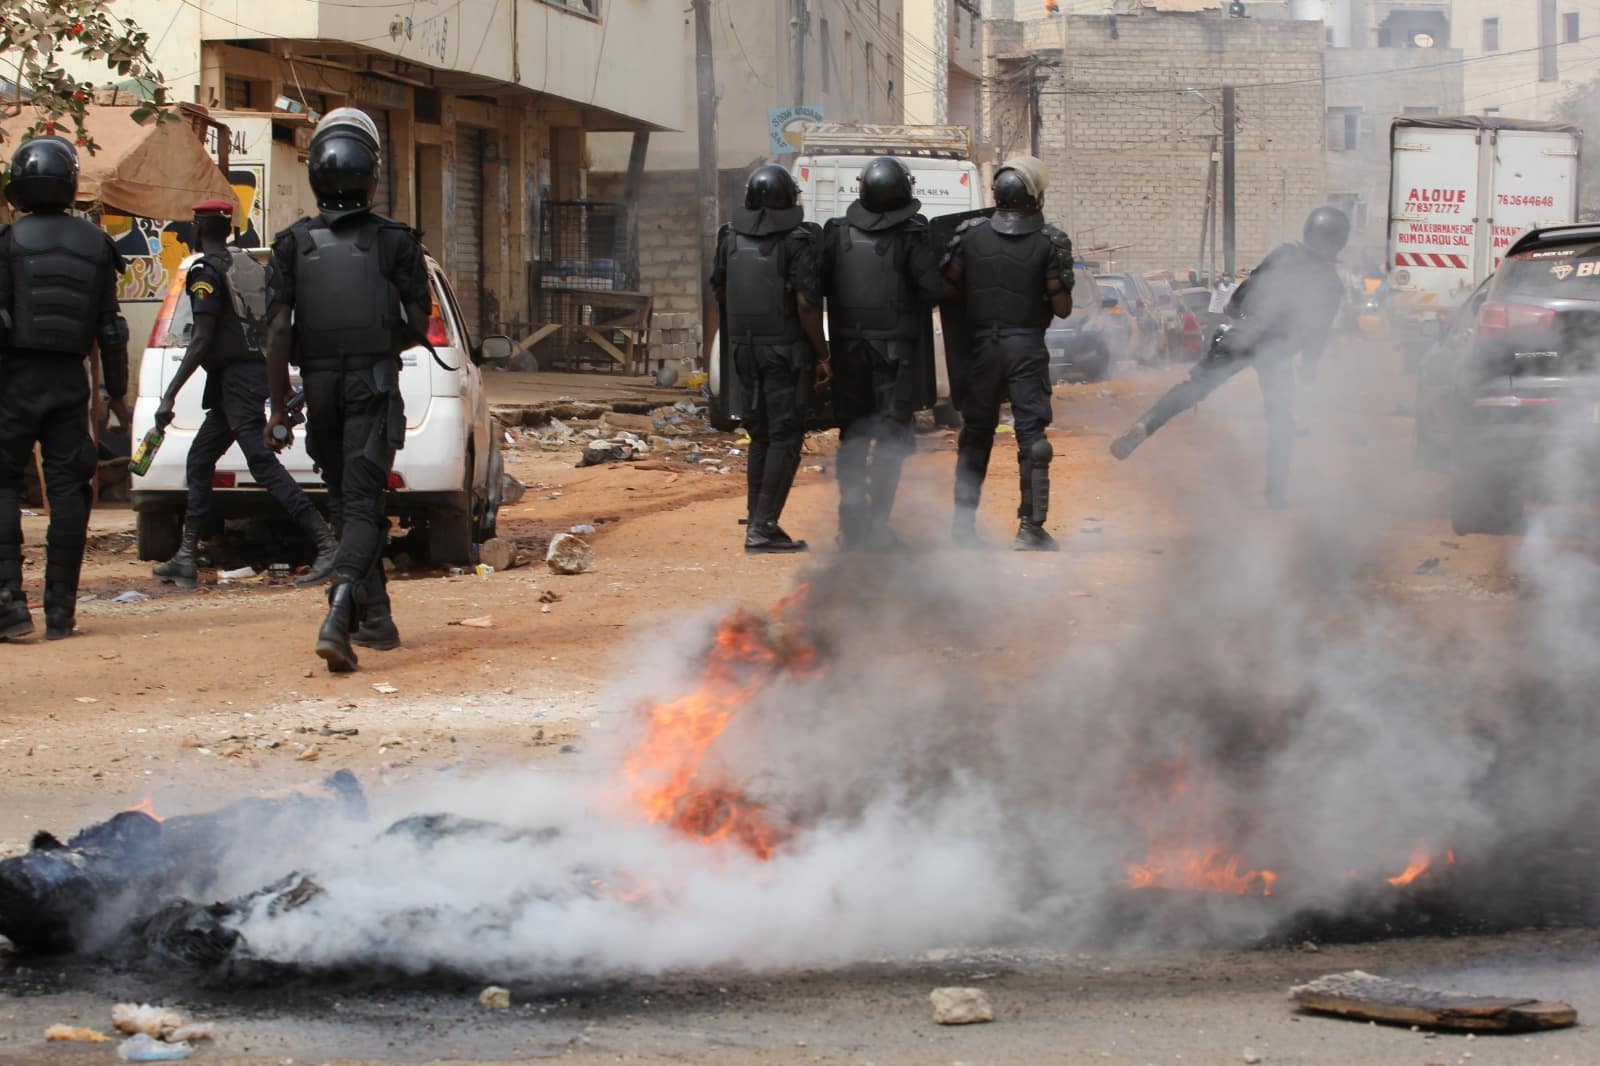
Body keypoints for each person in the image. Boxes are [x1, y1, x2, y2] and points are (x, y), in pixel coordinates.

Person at [262, 108, 432, 672]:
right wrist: (380, 343)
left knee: (345, 501)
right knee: (363, 505)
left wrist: (277, 409)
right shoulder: (396, 242)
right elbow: (417, 320)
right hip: (371, 386)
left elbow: (277, 332)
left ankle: (374, 617)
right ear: (372, 175)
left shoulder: (291, 243)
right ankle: (339, 611)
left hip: (319, 389)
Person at [1109, 205, 1350, 509]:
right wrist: (1309, 368)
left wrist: (1237, 319)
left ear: (1309, 230)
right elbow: (1317, 332)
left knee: (1194, 386)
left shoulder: (1284, 255)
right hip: (1277, 351)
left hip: (1243, 335)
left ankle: (1146, 424)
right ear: (1340, 241)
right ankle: (1276, 494)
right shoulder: (1331, 284)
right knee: (1281, 421)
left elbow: (1243, 293)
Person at [150, 199, 338, 589]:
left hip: (236, 379)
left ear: (198, 229)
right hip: (248, 375)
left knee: (261, 462)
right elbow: (270, 331)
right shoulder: (250, 266)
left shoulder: (205, 271)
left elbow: (201, 339)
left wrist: (169, 395)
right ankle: (185, 556)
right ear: (229, 229)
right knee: (200, 457)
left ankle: (326, 543)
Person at [0, 136, 129, 641]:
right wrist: (118, 398)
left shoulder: (8, 242)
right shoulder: (97, 244)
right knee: (70, 488)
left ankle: (10, 606)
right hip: (70, 383)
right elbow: (111, 330)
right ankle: (61, 609)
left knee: (3, 485)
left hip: (13, 379)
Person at [940, 156, 1073, 551]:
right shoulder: (1050, 241)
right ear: (1034, 196)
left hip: (983, 348)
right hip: (1026, 347)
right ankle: (1031, 529)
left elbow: (946, 288)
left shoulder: (967, 236)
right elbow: (1062, 307)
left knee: (975, 435)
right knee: (1032, 437)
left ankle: (962, 531)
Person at [821, 156, 941, 550]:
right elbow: (932, 289)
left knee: (853, 438)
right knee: (891, 441)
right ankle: (875, 527)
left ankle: (850, 524)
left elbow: (814, 290)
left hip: (848, 352)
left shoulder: (836, 233)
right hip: (895, 356)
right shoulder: (912, 235)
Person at [712, 164, 831, 553]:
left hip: (743, 351)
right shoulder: (799, 239)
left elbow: (721, 293)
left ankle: (757, 519)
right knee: (785, 435)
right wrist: (823, 354)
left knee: (760, 433)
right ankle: (763, 527)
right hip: (784, 352)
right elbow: (806, 304)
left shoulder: (729, 238)